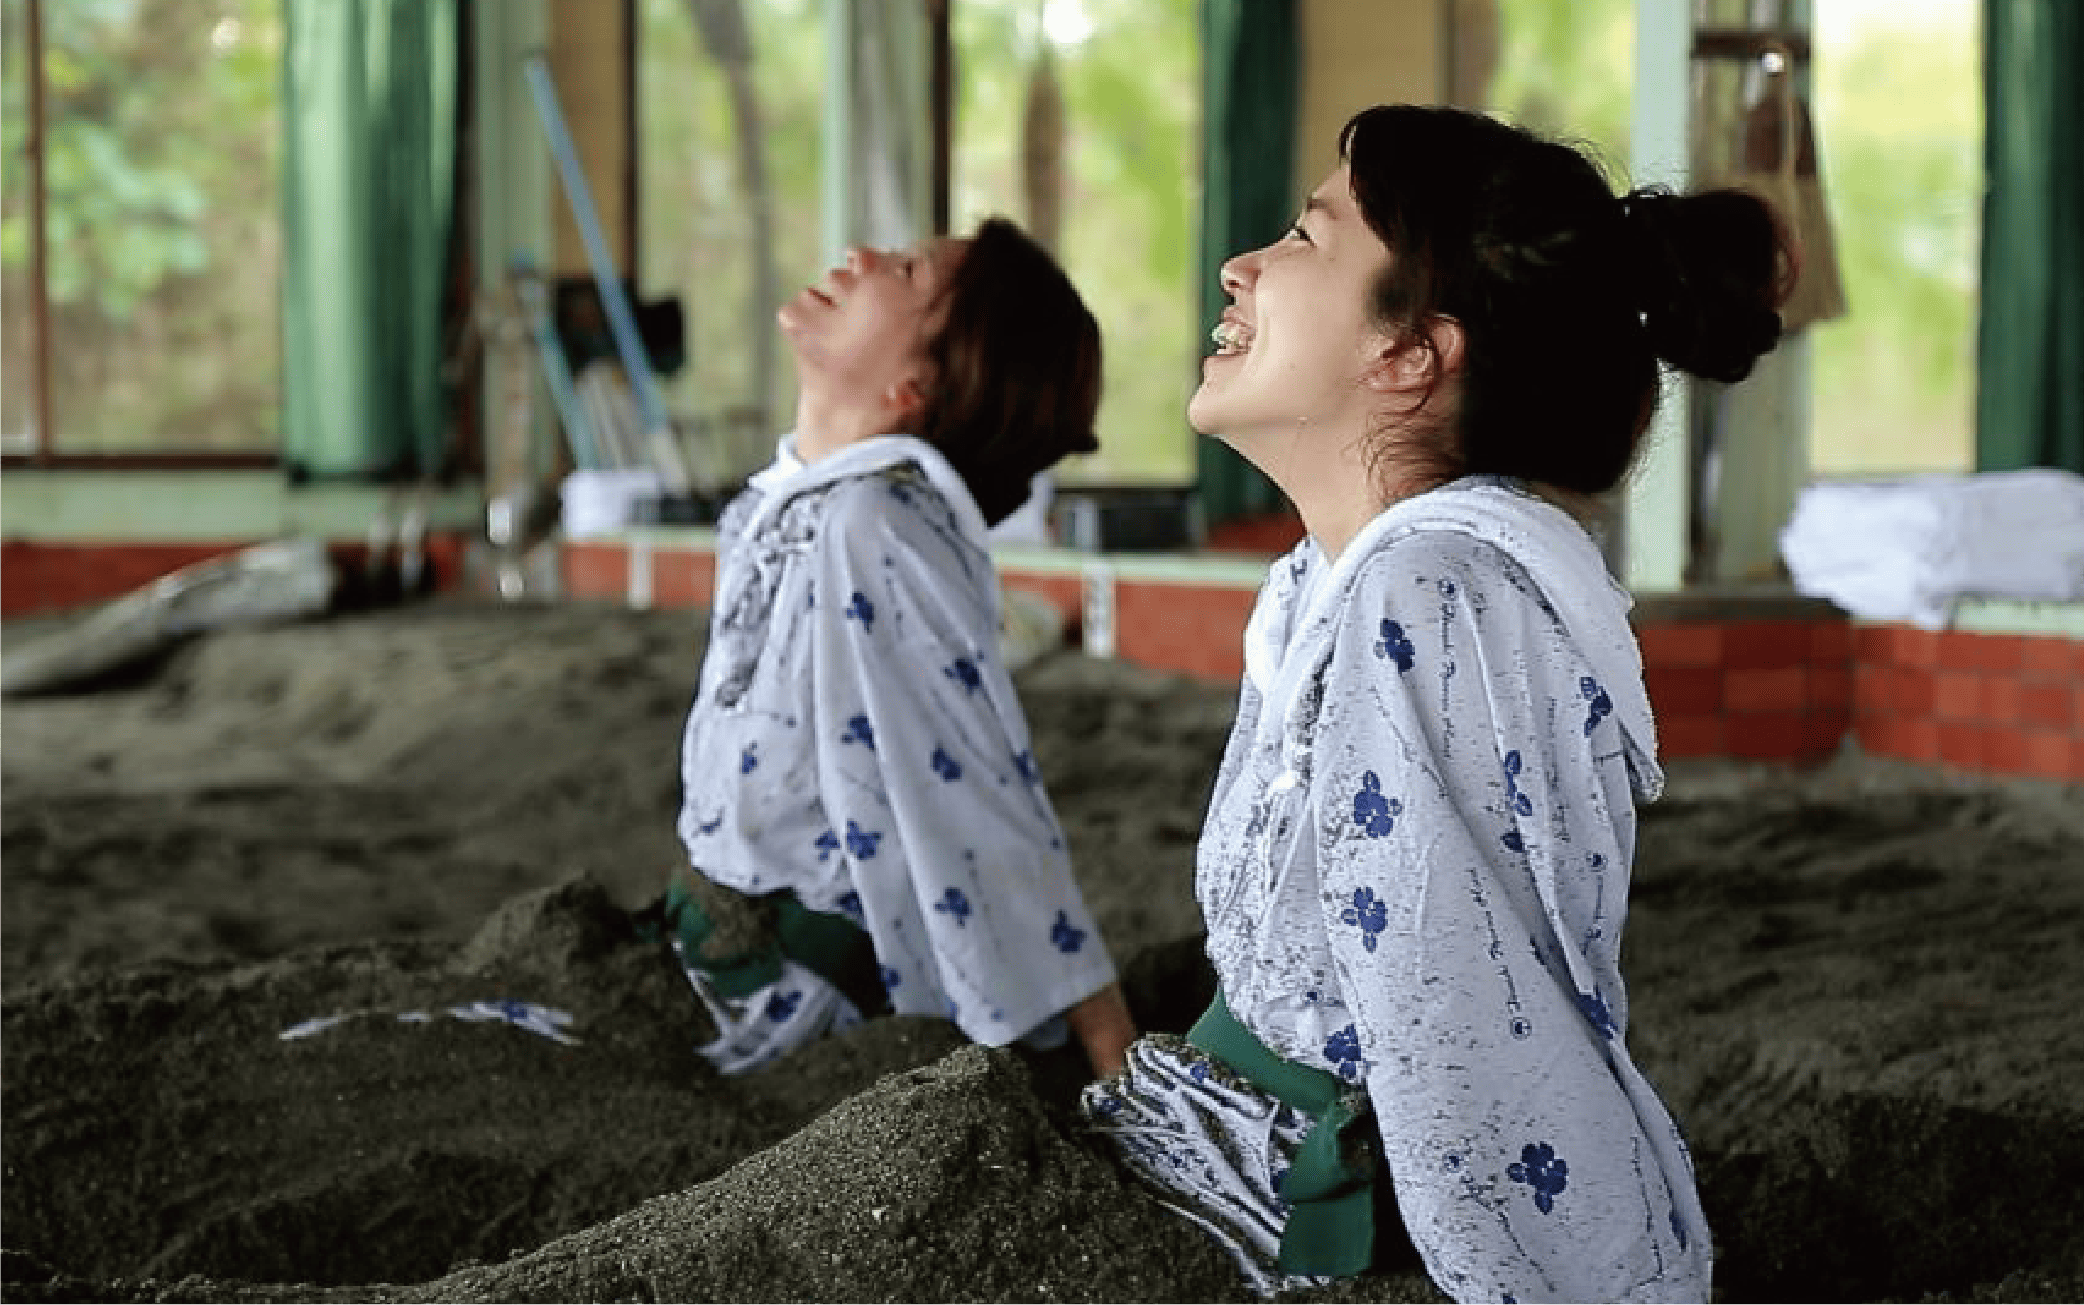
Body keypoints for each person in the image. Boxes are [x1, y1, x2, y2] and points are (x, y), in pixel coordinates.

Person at [1080, 105, 1788, 1302]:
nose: (1239, 266)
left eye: (1306, 240)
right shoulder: (1336, 580)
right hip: (1206, 1142)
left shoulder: (1431, 597)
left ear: (1410, 353)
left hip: (1277, 1210)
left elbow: (1455, 1017)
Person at [665, 217, 1136, 1081]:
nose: (863, 255)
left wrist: (1106, 1035)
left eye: (910, 269)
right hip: (703, 932)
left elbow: (975, 774)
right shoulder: (779, 508)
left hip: (786, 988)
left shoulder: (876, 525)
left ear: (919, 383)